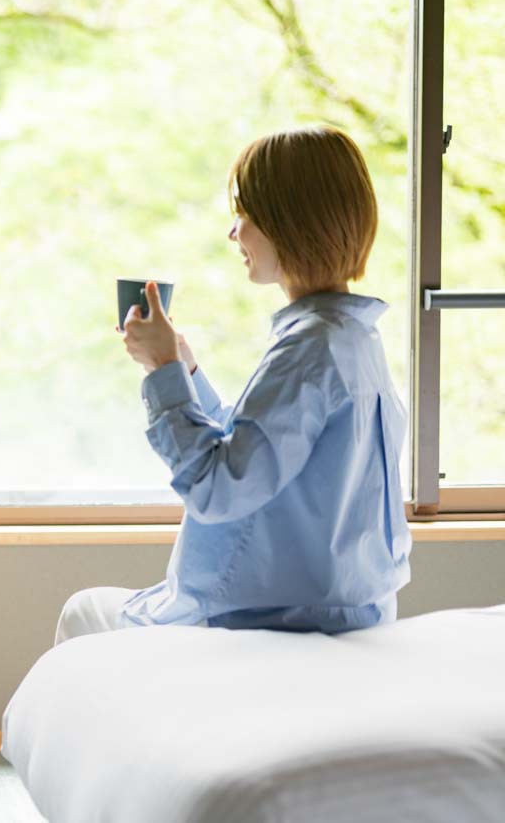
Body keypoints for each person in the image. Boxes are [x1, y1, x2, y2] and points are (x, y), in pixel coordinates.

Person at [57, 125, 411, 642]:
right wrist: (185, 370)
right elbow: (260, 452)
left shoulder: (306, 351)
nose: (234, 235)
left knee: (82, 612)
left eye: (244, 216)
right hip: (346, 607)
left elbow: (218, 489)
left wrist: (162, 375)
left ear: (287, 223)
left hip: (274, 617)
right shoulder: (352, 337)